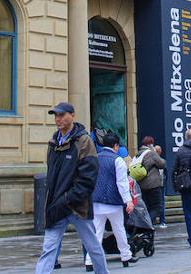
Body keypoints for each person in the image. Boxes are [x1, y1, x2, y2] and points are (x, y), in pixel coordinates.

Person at [35, 102, 109, 274]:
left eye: (61, 115)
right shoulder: (53, 142)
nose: (58, 119)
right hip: (57, 206)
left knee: (93, 247)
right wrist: (53, 202)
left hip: (77, 207)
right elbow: (52, 176)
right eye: (55, 115)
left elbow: (88, 178)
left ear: (72, 115)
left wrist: (69, 198)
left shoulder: (83, 141)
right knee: (48, 249)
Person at [84, 131, 136, 271]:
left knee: (96, 232)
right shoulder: (117, 160)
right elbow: (122, 183)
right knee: (119, 229)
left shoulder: (95, 158)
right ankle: (125, 256)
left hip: (96, 201)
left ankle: (89, 261)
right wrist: (128, 201)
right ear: (116, 146)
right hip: (113, 202)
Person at [135, 136, 166, 229]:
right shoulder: (150, 153)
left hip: (142, 185)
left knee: (147, 207)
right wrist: (154, 151)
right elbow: (162, 164)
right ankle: (147, 225)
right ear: (149, 144)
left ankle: (146, 225)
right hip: (153, 185)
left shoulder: (138, 153)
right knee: (157, 207)